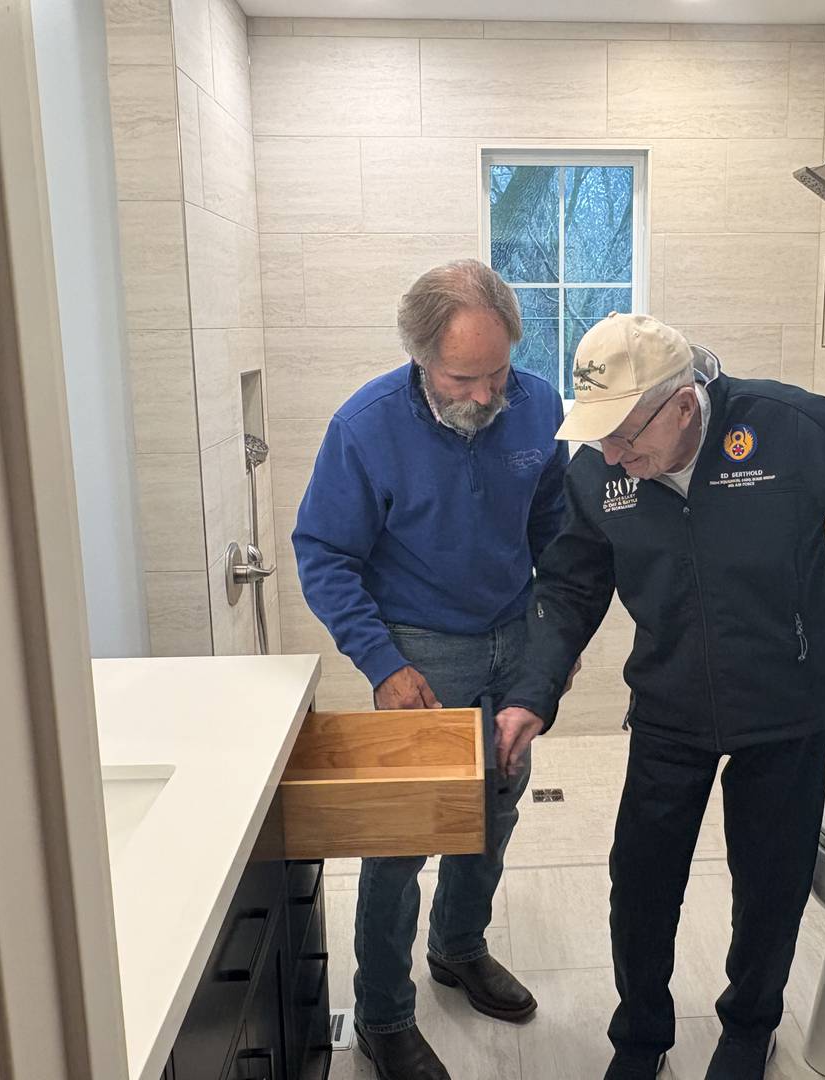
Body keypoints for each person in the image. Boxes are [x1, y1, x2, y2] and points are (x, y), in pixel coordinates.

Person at [494, 312, 825, 1080]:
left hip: (788, 706)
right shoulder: (597, 471)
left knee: (769, 887)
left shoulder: (784, 427)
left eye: (626, 435)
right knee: (641, 884)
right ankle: (640, 1039)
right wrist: (530, 693)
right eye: (599, 435)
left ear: (682, 404)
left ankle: (749, 1029)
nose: (613, 454)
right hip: (670, 708)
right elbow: (571, 587)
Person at [293, 259, 570, 1080]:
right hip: (418, 650)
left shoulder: (539, 405)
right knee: (404, 837)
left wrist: (549, 641)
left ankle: (459, 947)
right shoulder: (366, 426)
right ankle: (382, 1013)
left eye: (498, 373)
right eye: (463, 378)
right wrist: (382, 664)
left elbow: (557, 529)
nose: (486, 397)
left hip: (512, 632)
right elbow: (325, 554)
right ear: (419, 358)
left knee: (495, 804)